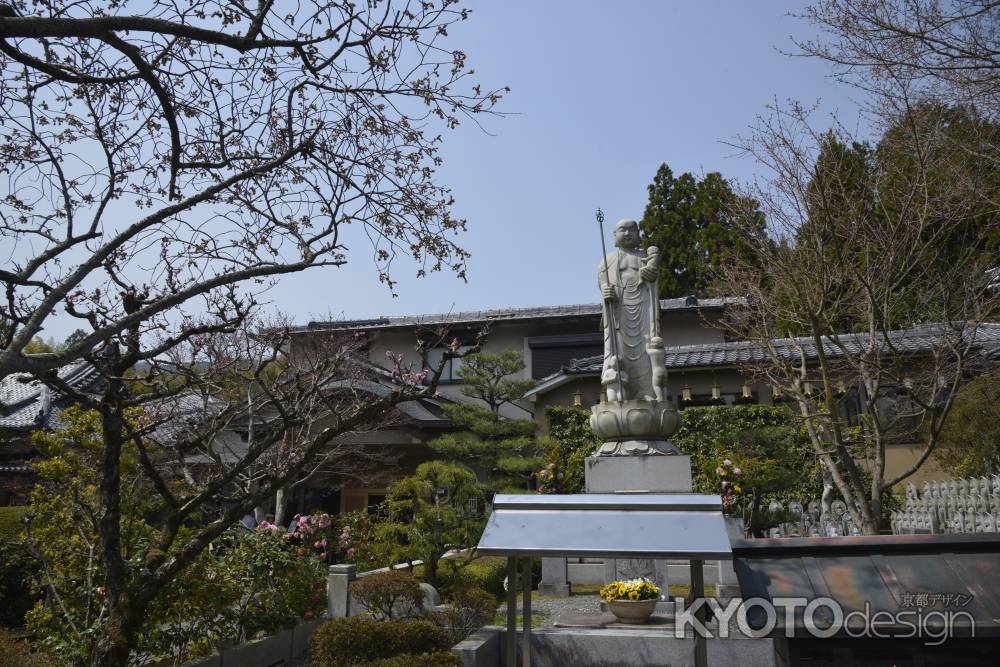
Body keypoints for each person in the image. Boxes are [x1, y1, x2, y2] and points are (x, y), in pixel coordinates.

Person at [598, 219, 661, 403]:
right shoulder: (608, 260)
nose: (627, 233)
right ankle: (621, 390)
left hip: (643, 306)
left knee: (646, 349)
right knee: (619, 351)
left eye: (632, 230)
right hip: (619, 309)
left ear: (638, 234)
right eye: (622, 230)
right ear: (614, 235)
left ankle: (647, 392)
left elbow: (654, 282)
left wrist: (652, 277)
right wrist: (605, 291)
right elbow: (603, 283)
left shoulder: (644, 257)